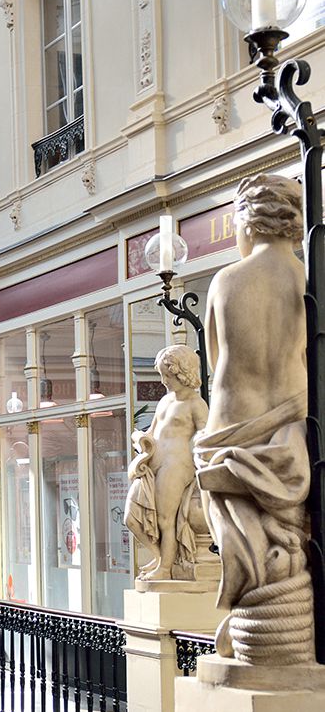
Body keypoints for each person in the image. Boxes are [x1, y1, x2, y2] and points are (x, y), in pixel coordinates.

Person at [195, 174, 312, 664]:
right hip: (290, 422)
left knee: (243, 547)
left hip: (228, 429)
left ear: (246, 220)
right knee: (290, 540)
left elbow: (213, 356)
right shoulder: (309, 279)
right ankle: (276, 640)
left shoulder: (225, 280)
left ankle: (252, 635)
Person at [125, 345, 209, 581]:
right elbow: (151, 431)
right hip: (154, 462)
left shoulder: (195, 403)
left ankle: (165, 568)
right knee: (131, 516)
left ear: (182, 372)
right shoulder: (163, 401)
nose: (163, 381)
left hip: (177, 464)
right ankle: (160, 557)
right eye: (162, 375)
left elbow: (206, 434)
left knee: (164, 519)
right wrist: (140, 440)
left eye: (167, 375)